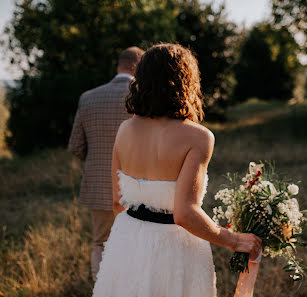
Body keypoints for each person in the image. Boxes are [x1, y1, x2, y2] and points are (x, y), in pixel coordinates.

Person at [92, 43, 261, 297]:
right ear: (187, 82)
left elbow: (117, 201)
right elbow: (184, 213)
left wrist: (136, 238)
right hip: (174, 251)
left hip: (126, 239)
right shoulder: (199, 137)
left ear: (142, 80)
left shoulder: (124, 130)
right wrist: (234, 240)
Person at [68, 46, 145, 281]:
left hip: (99, 184)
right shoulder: (144, 97)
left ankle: (101, 290)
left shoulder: (88, 97)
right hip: (138, 186)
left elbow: (76, 147)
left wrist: (98, 161)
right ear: (138, 68)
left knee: (101, 243)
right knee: (136, 245)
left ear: (119, 66)